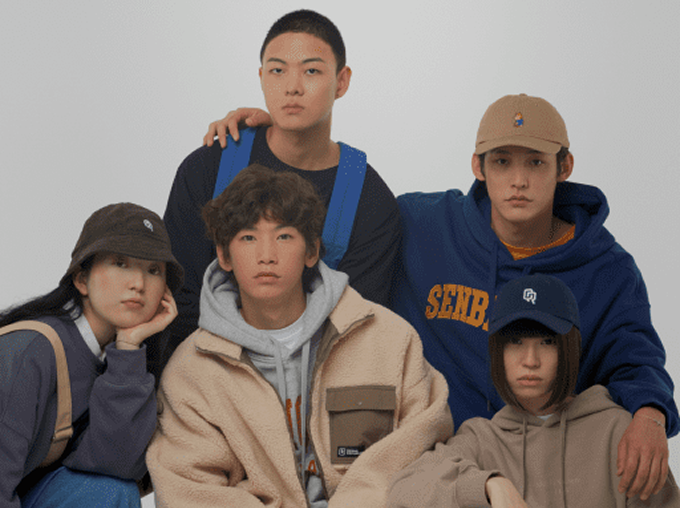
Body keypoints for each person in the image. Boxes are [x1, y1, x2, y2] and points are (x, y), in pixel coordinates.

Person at [212, 93, 679, 500]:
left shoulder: (606, 267)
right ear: (478, 166)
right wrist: (284, 140)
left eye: (536, 162)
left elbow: (635, 357)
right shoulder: (426, 224)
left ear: (564, 166)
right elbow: (313, 218)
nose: (518, 180)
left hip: (551, 466)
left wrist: (649, 416)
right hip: (435, 469)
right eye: (502, 162)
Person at [146, 164, 452, 508]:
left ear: (312, 251)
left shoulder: (388, 339)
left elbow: (424, 440)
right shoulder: (191, 372)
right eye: (248, 238)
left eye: (284, 237)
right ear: (223, 255)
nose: (266, 256)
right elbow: (189, 490)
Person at [159, 9, 401, 377]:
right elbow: (177, 296)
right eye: (277, 70)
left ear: (342, 81)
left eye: (311, 71)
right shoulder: (210, 166)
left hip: (313, 388)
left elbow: (357, 331)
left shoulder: (370, 201)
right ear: (261, 77)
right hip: (205, 377)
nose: (292, 87)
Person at [387, 274, 680, 507]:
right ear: (497, 352)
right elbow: (403, 489)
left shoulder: (618, 431)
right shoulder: (481, 439)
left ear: (569, 349)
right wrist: (490, 485)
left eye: (547, 343)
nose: (530, 360)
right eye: (516, 342)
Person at [0, 203, 183, 508]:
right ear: (81, 279)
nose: (138, 284)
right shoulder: (30, 351)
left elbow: (117, 465)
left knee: (113, 491)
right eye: (120, 263)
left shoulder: (117, 356)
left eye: (153, 270)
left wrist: (128, 349)